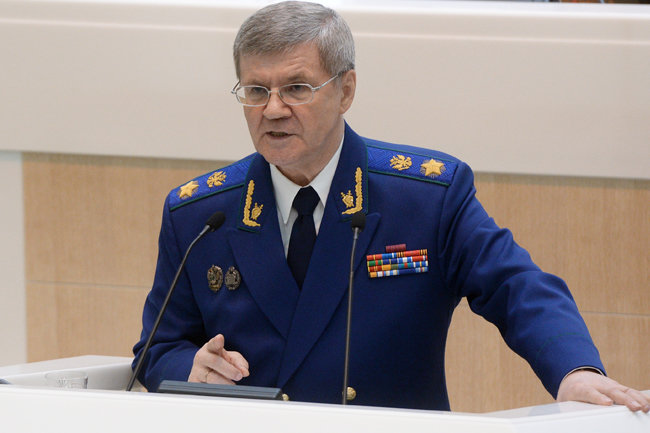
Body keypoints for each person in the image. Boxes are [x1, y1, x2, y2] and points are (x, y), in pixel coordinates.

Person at [133, 1, 649, 412]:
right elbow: (157, 349)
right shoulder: (200, 214)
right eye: (255, 90)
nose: (272, 109)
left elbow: (518, 288)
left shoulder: (427, 197)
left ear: (346, 90)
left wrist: (573, 371)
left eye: (296, 88)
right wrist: (189, 369)